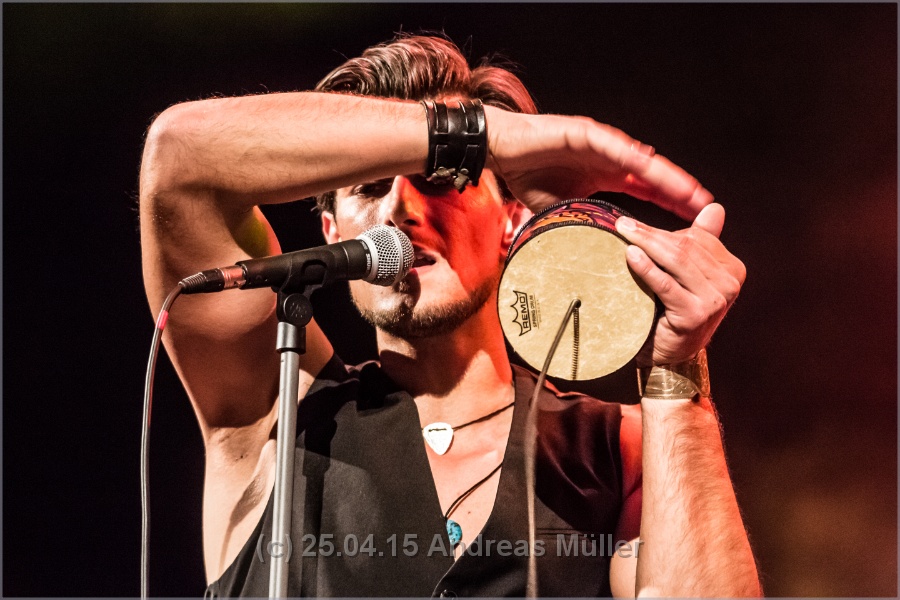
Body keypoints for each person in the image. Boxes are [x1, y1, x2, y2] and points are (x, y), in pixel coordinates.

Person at [139, 34, 760, 597]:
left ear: (512, 219)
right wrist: (477, 136)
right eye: (369, 187)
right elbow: (178, 161)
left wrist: (677, 374)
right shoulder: (274, 414)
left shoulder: (615, 447)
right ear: (331, 232)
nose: (399, 209)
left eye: (440, 178)